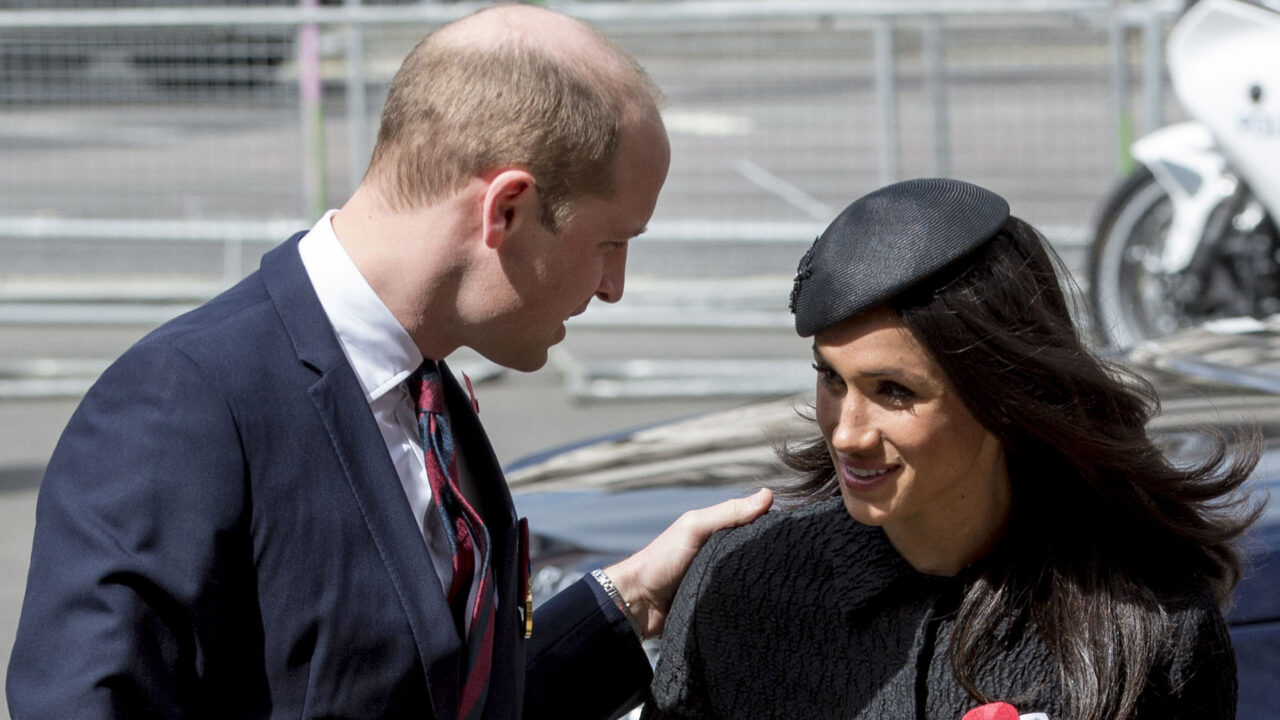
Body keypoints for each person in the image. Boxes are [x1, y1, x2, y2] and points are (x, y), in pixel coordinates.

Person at [6, 5, 773, 719]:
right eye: (613, 243)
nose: (614, 287)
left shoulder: (428, 390)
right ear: (504, 210)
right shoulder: (186, 402)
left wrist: (629, 599)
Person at [644, 178, 1261, 720]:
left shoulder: (1145, 624)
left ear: (1004, 396)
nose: (846, 433)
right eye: (832, 379)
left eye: (894, 392)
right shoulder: (743, 584)